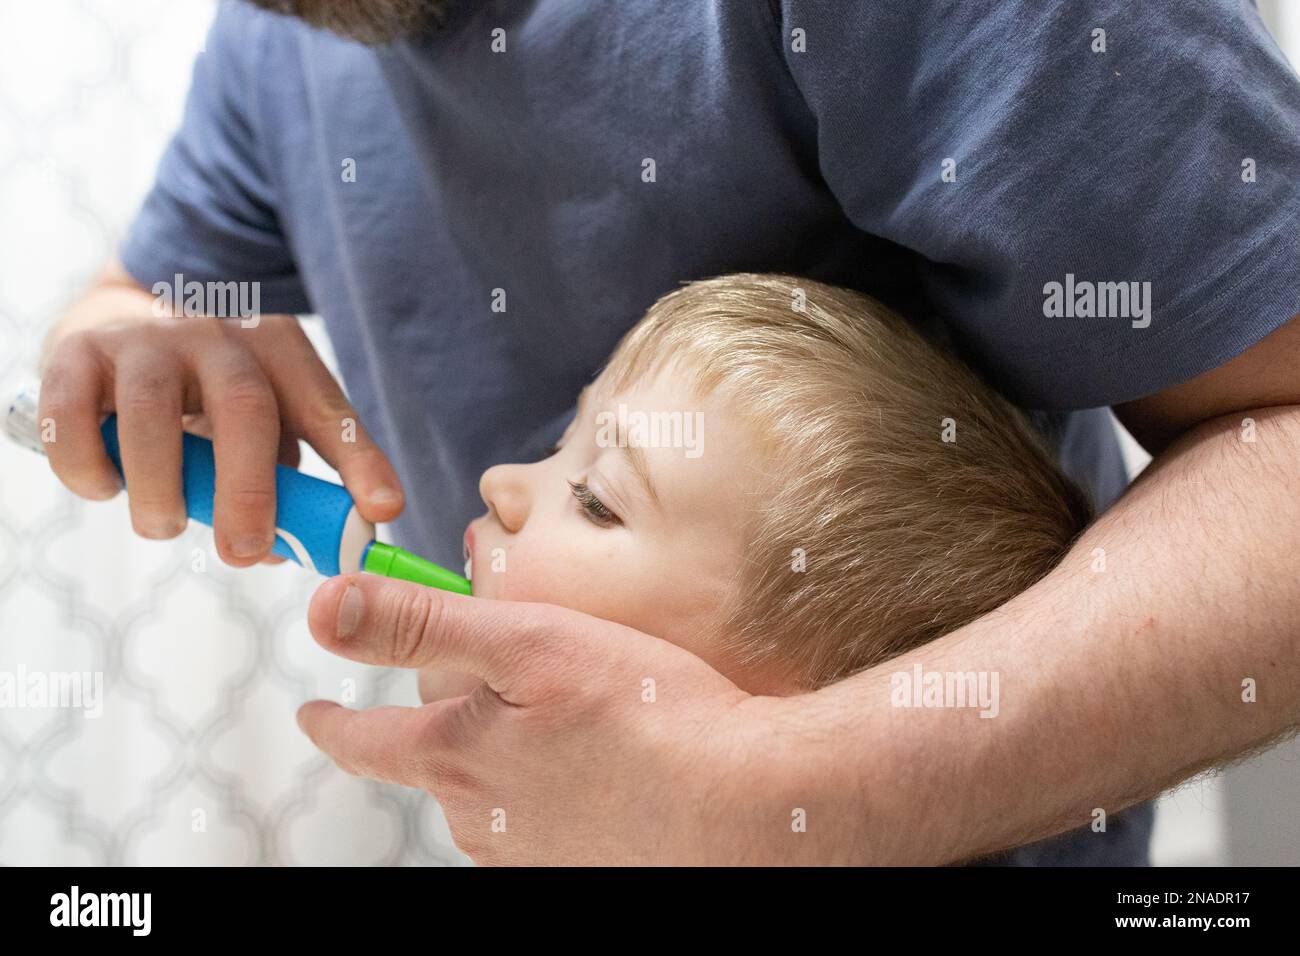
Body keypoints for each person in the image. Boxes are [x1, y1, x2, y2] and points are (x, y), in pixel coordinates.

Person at [36, 0, 1300, 864]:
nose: (488, 478)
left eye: (598, 491)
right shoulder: (281, 32)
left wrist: (793, 794)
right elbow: (156, 289)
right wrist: (120, 320)